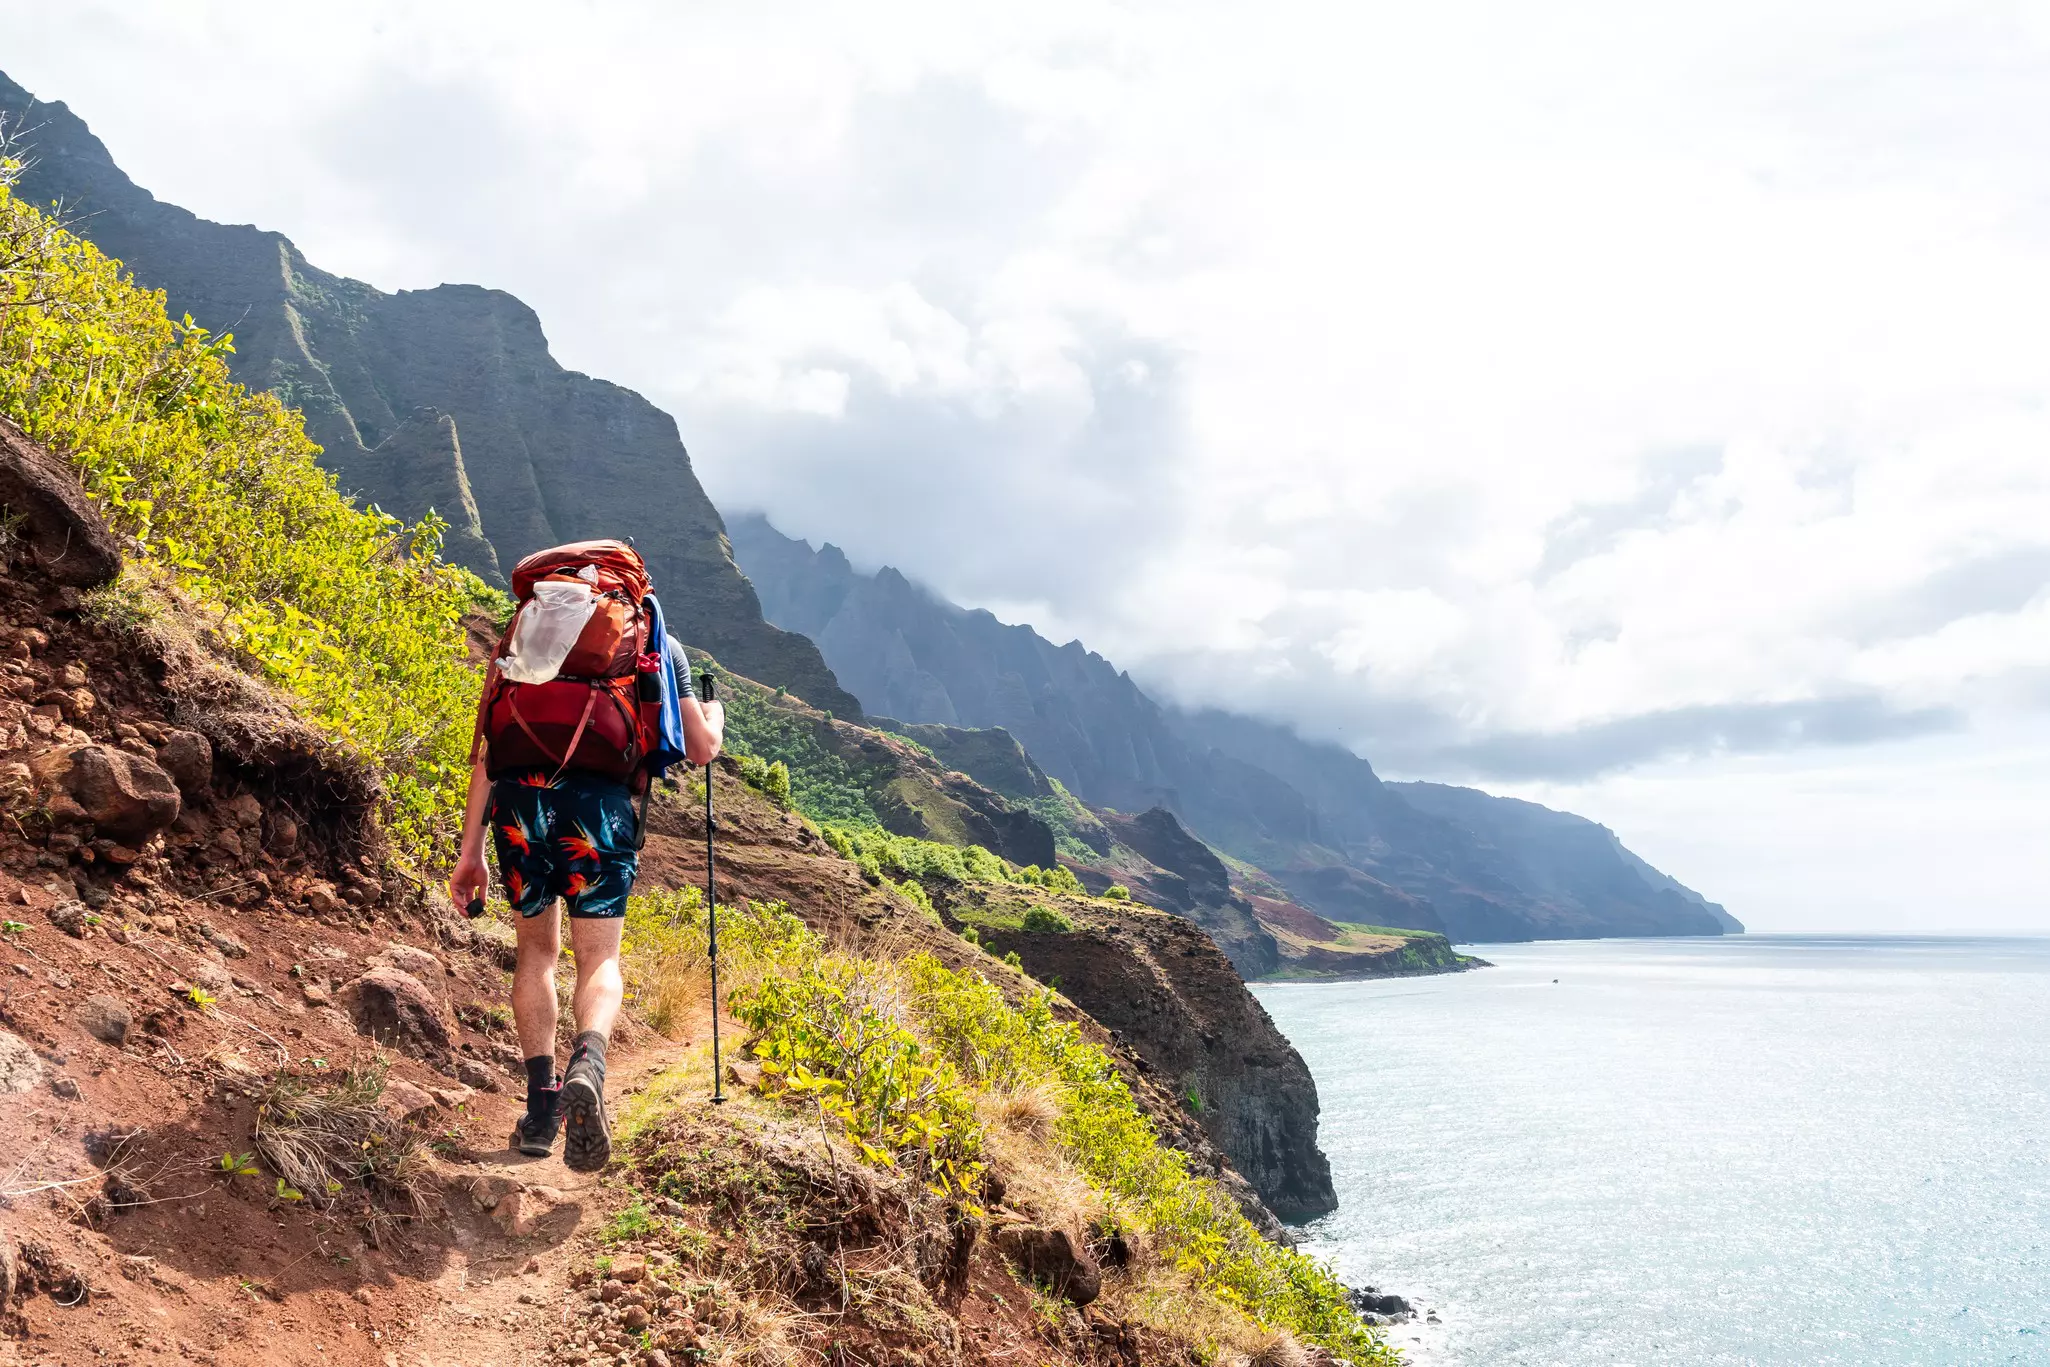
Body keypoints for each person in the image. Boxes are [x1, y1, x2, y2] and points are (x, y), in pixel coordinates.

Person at [448, 633, 722, 1170]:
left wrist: (470, 852)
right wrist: (715, 714)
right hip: (598, 808)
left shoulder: (524, 628)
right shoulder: (652, 637)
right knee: (598, 958)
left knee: (536, 955)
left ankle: (540, 1112)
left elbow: (489, 751)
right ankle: (588, 1067)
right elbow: (700, 747)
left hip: (519, 804)